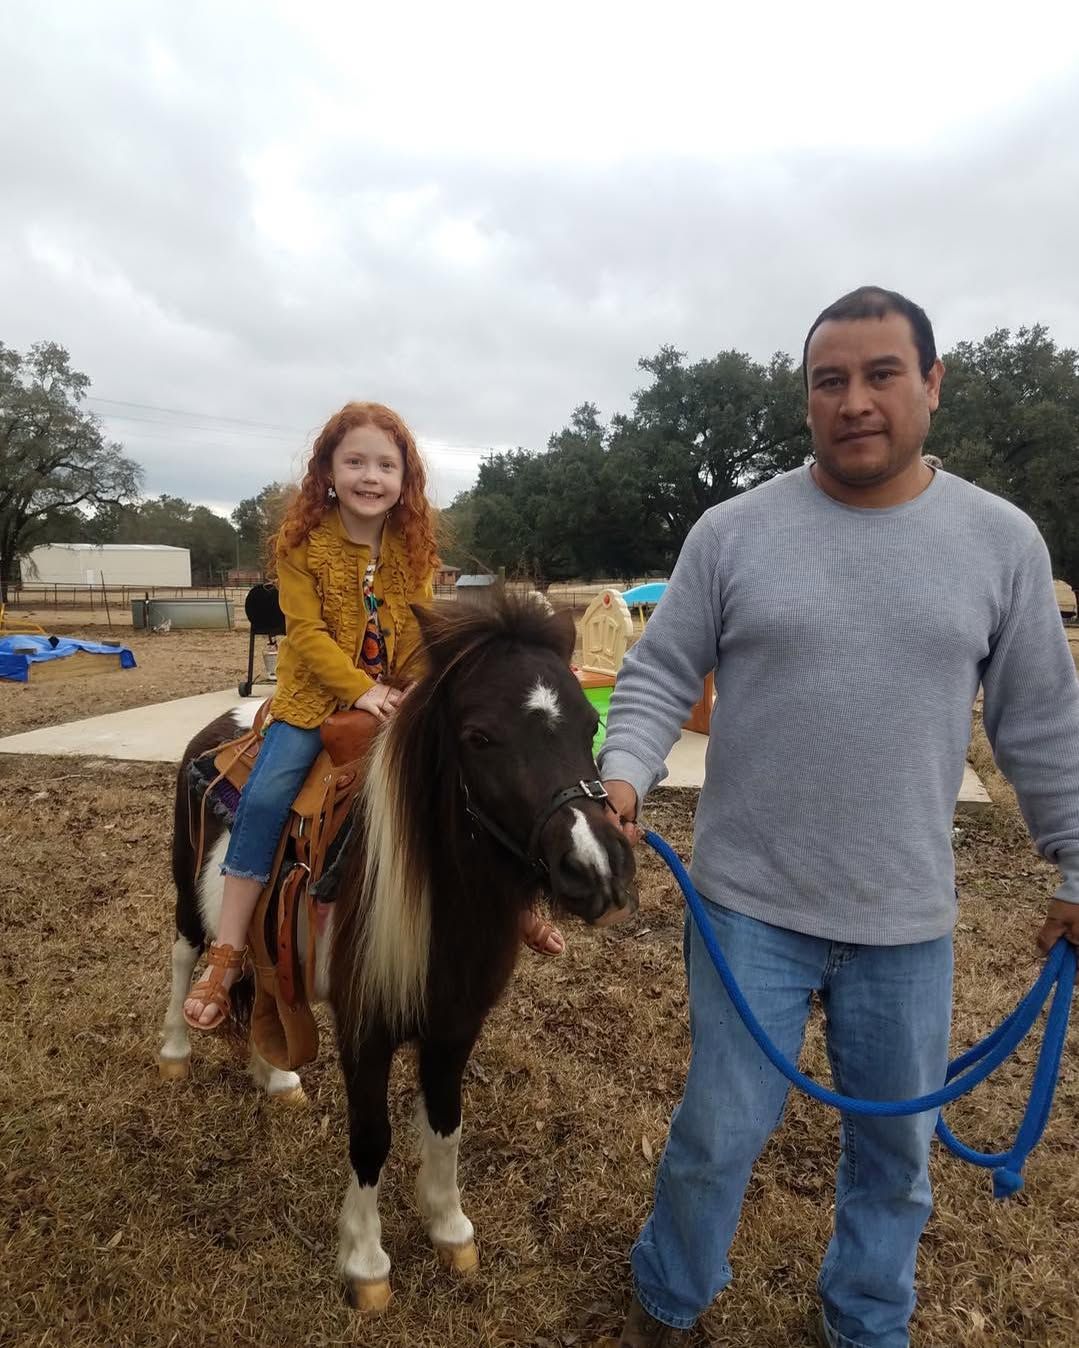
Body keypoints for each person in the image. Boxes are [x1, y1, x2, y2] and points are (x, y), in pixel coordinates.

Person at [599, 287, 1079, 1348]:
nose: (852, 400)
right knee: (716, 1133)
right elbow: (652, 679)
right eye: (828, 380)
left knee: (895, 1157)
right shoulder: (733, 533)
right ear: (806, 396)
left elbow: (1040, 724)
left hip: (903, 918)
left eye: (878, 375)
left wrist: (1074, 864)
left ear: (930, 385)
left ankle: (866, 1323)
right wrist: (621, 777)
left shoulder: (1000, 542)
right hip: (746, 906)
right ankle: (668, 1301)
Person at [183, 401, 564, 1031]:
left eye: (386, 465)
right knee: (267, 799)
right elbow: (303, 632)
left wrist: (419, 686)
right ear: (327, 471)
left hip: (395, 695)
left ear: (404, 479)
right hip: (315, 702)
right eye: (355, 461)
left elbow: (420, 630)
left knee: (470, 778)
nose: (370, 475)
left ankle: (514, 899)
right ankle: (225, 952)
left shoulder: (412, 548)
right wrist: (359, 691)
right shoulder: (301, 544)